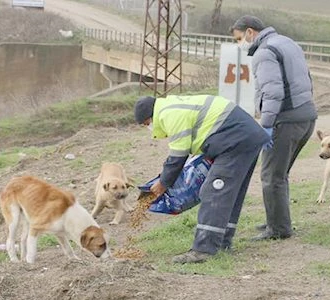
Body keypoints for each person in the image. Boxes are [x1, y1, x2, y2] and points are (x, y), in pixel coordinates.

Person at [134, 94, 271, 264]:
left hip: (235, 139)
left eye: (147, 124)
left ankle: (204, 250)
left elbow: (178, 155)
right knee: (229, 193)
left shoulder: (168, 114)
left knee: (214, 192)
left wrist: (163, 184)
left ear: (149, 117)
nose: (149, 128)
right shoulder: (173, 105)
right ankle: (221, 243)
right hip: (243, 137)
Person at [230, 15, 318, 240]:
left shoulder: (264, 52)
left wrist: (266, 125)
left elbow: (273, 92)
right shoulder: (288, 42)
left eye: (239, 38)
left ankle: (278, 229)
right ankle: (277, 220)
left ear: (250, 32)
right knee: (280, 174)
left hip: (284, 121)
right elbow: (307, 79)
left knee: (271, 175)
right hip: (306, 116)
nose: (239, 44)